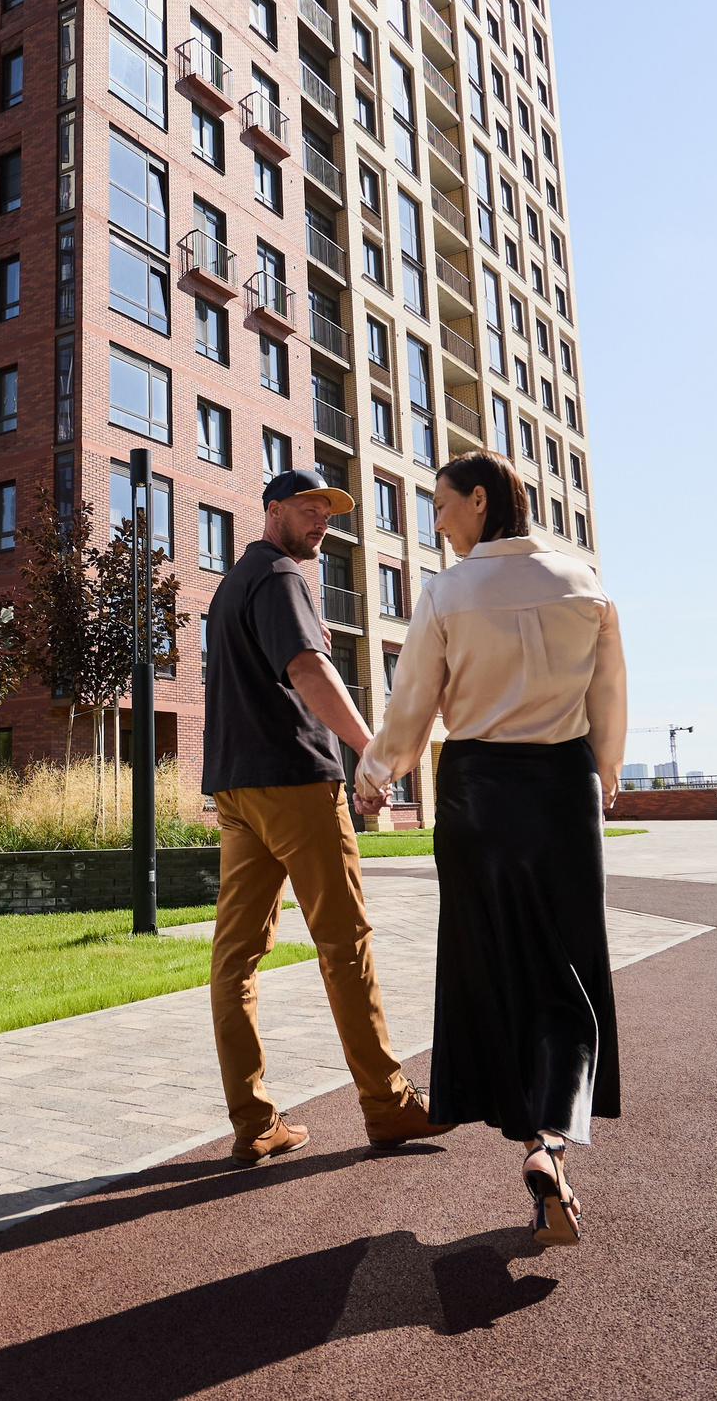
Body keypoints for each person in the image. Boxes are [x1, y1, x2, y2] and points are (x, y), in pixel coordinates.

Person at [356, 452, 627, 1246]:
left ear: (480, 500)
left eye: (442, 505)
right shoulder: (586, 582)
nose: (435, 521)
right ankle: (549, 1143)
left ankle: (530, 1133)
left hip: (477, 793)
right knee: (567, 963)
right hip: (562, 791)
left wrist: (376, 775)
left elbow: (413, 707)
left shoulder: (447, 592)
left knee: (492, 966)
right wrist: (606, 770)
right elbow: (607, 693)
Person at [201, 468, 454, 1163]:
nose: (321, 521)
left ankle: (254, 1124)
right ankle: (389, 1105)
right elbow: (309, 669)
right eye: (309, 509)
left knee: (235, 958)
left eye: (329, 512)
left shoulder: (231, 585)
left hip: (235, 790)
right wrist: (371, 751)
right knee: (346, 944)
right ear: (273, 509)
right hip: (293, 786)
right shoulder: (281, 577)